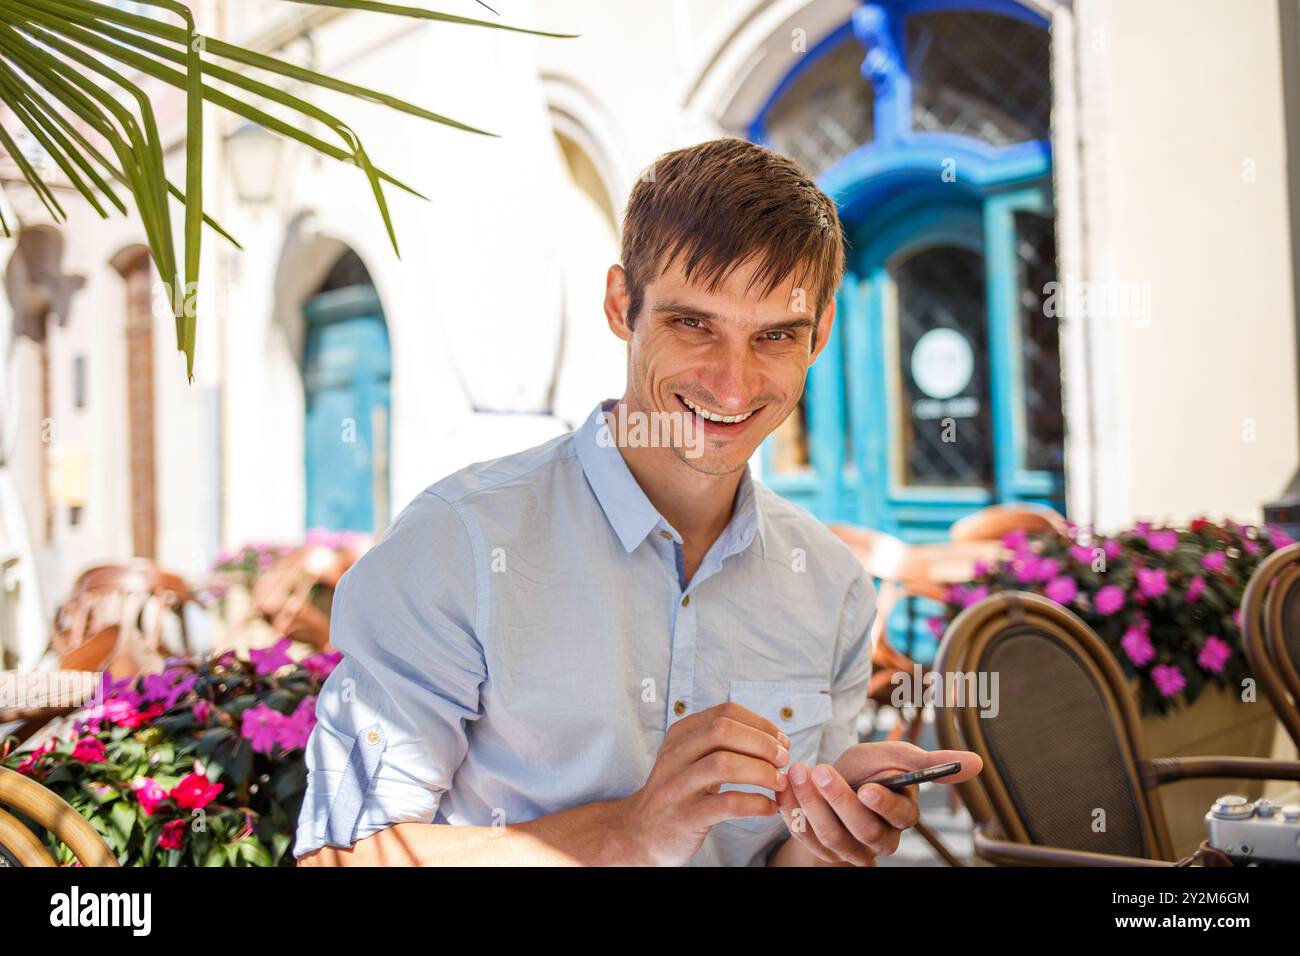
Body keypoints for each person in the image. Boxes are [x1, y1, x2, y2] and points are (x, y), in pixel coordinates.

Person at [294, 138, 980, 867]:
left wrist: (831, 837)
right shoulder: (457, 545)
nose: (732, 385)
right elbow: (341, 856)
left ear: (820, 337)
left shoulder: (833, 585)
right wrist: (627, 832)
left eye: (775, 335)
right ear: (623, 304)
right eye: (694, 324)